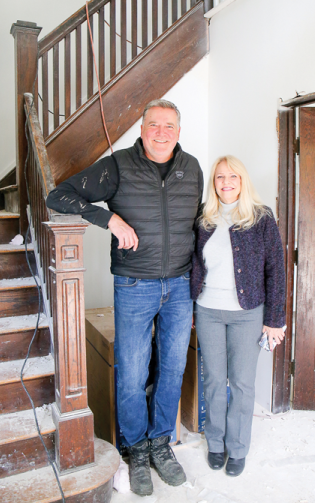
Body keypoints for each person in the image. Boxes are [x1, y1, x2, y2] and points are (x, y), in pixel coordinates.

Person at [46, 100, 203, 497]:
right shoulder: (117, 166)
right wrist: (109, 219)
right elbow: (58, 196)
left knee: (171, 369)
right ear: (142, 127)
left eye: (169, 125)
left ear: (179, 131)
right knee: (133, 374)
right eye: (154, 124)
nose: (161, 132)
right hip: (135, 285)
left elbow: (202, 219)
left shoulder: (194, 169)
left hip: (181, 286)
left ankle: (160, 443)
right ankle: (134, 450)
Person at [191, 155, 285, 477]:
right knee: (215, 381)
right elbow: (194, 264)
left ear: (242, 181)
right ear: (213, 183)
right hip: (208, 312)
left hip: (248, 314)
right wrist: (191, 303)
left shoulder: (261, 218)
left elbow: (276, 270)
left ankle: (239, 447)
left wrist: (275, 319)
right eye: (220, 177)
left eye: (233, 176)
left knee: (242, 383)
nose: (226, 182)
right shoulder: (204, 219)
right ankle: (216, 443)